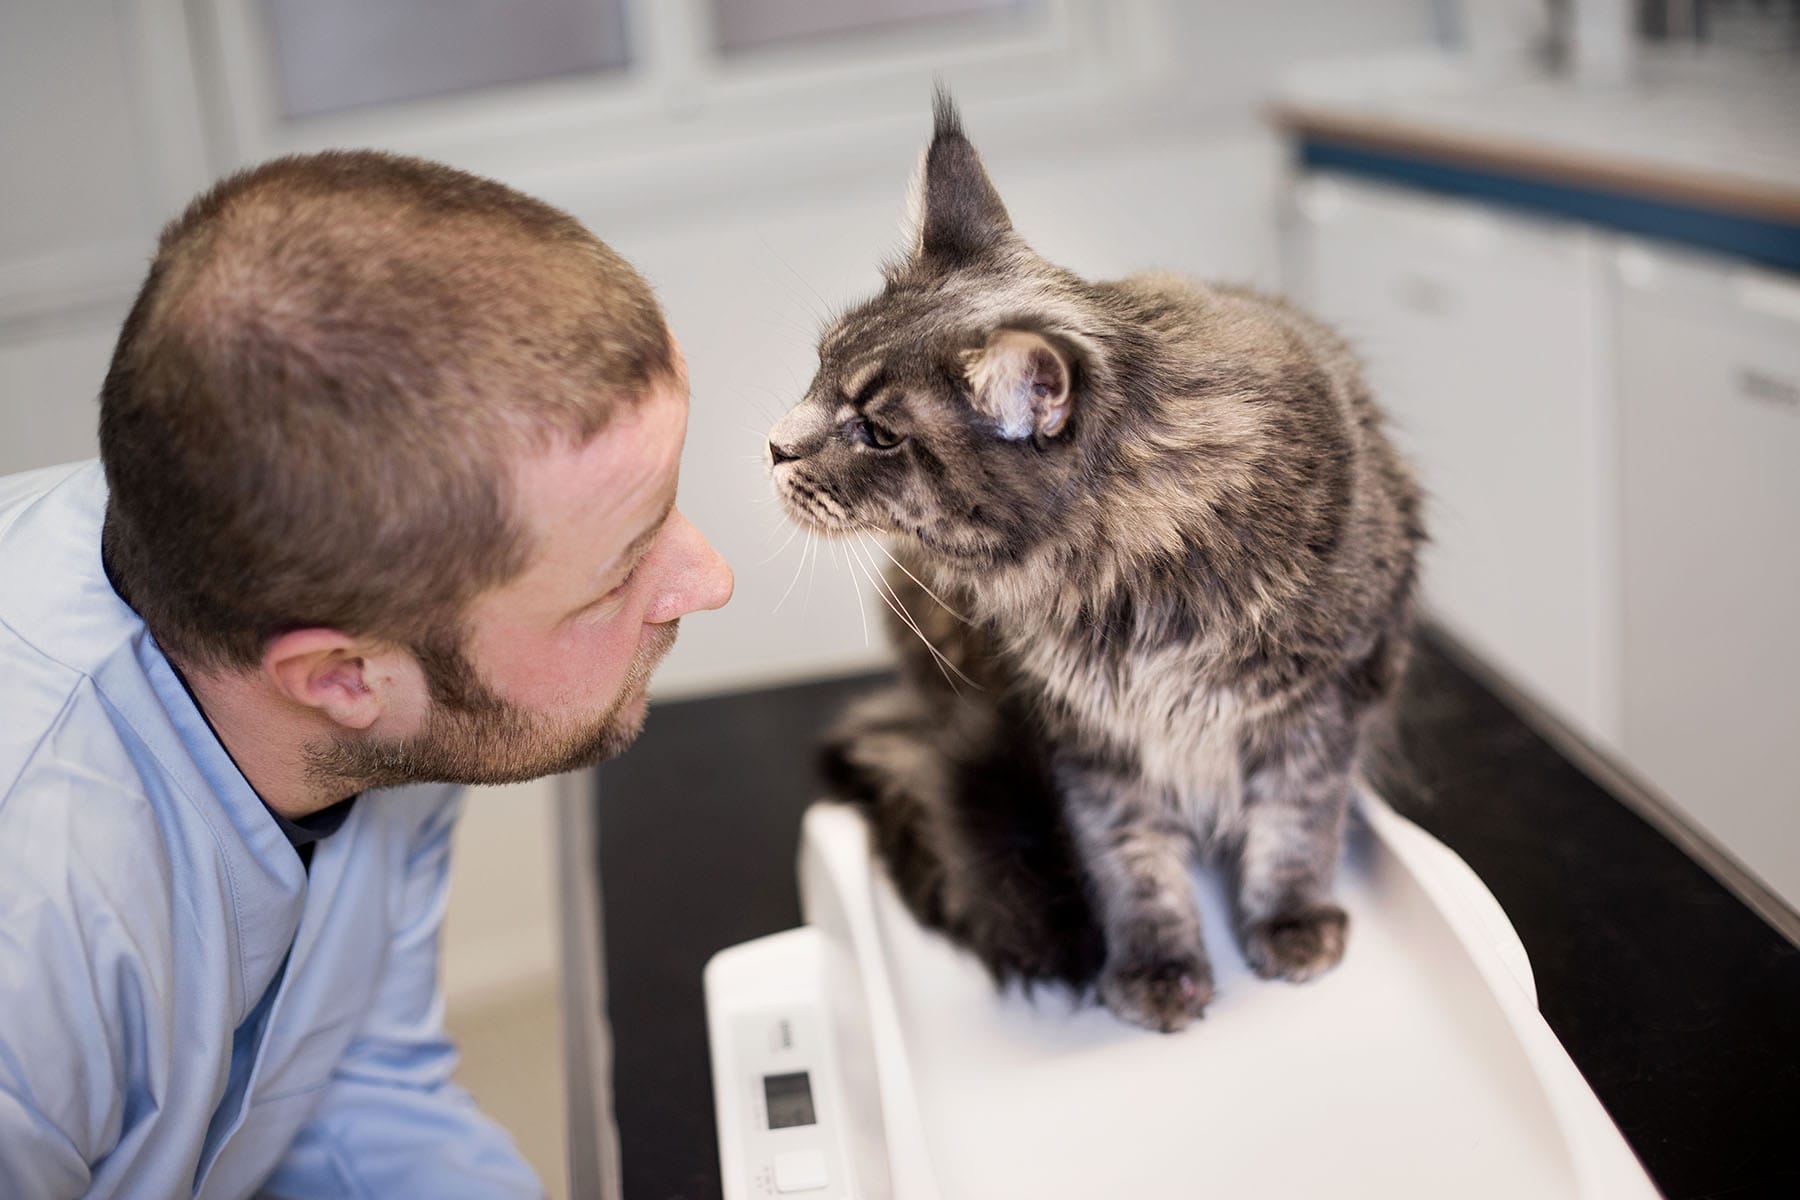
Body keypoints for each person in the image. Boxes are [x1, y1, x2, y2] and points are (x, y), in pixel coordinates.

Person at [0, 151, 733, 1198]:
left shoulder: (361, 640)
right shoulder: (29, 954)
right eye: (620, 574)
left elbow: (345, 1083)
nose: (710, 579)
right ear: (342, 677)